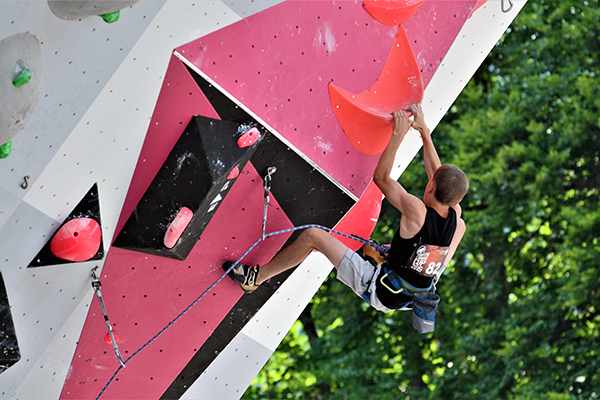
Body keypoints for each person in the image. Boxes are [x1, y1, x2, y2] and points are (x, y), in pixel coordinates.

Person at [222, 104, 468, 312]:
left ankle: (257, 278)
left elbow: (381, 178)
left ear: (430, 186)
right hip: (420, 285)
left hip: (383, 291)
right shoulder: (454, 214)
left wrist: (398, 135)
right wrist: (424, 131)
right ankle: (394, 259)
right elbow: (438, 178)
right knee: (457, 229)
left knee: (312, 236)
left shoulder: (416, 211)